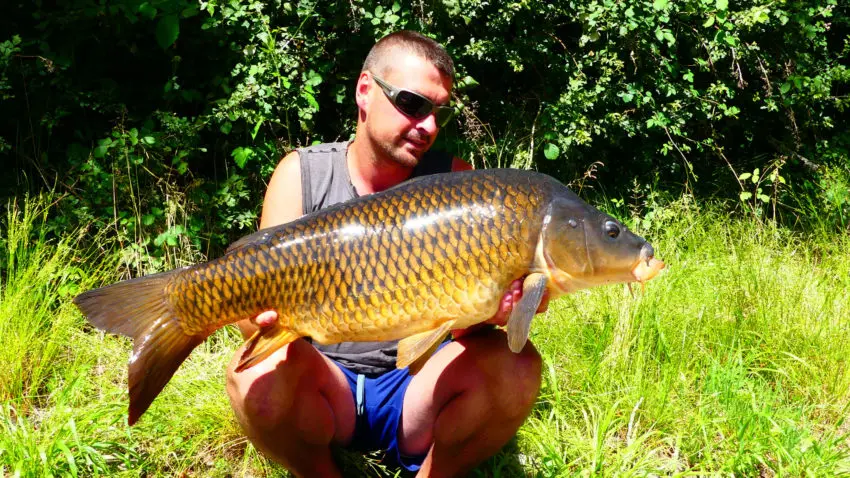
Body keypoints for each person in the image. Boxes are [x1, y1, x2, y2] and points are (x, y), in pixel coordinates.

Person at [226, 30, 546, 477]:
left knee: (517, 368)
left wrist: (496, 312)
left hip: (417, 386)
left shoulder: (458, 184)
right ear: (364, 90)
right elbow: (250, 318)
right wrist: (257, 316)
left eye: (438, 113)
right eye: (413, 104)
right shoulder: (303, 173)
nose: (429, 126)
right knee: (252, 377)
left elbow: (467, 333)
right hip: (326, 384)